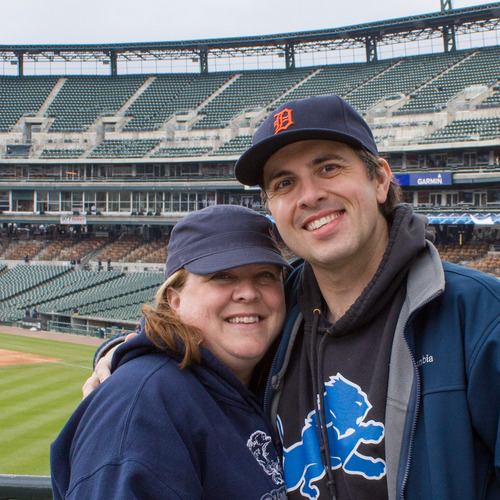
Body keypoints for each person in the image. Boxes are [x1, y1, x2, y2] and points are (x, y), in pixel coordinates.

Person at [85, 95, 500, 500]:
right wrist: (123, 354)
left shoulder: (478, 315)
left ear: (379, 179)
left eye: (329, 167)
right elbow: (193, 322)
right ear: (272, 208)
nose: (309, 195)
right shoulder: (276, 316)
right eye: (284, 183)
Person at [51, 205, 290, 500]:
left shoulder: (264, 373)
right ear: (174, 300)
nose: (249, 293)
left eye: (265, 275)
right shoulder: (141, 408)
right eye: (222, 276)